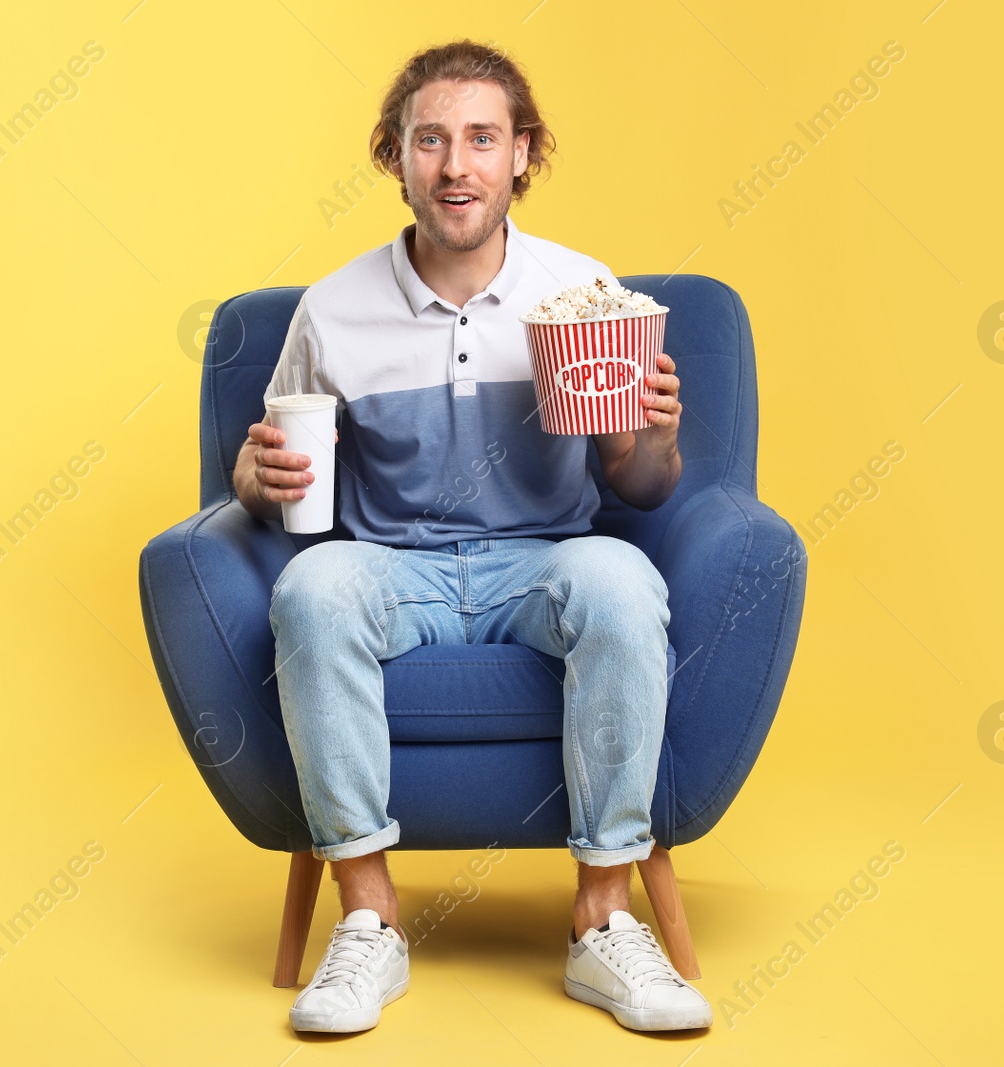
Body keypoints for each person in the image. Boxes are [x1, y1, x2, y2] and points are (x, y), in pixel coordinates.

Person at [233, 39, 708, 1035]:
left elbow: (643, 487)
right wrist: (252, 483)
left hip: (542, 559)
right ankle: (368, 918)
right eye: (431, 140)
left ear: (521, 155)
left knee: (621, 579)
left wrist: (652, 436)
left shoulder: (584, 292)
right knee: (310, 591)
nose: (456, 166)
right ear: (395, 158)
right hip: (390, 564)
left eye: (482, 139)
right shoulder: (331, 307)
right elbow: (290, 487)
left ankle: (602, 917)